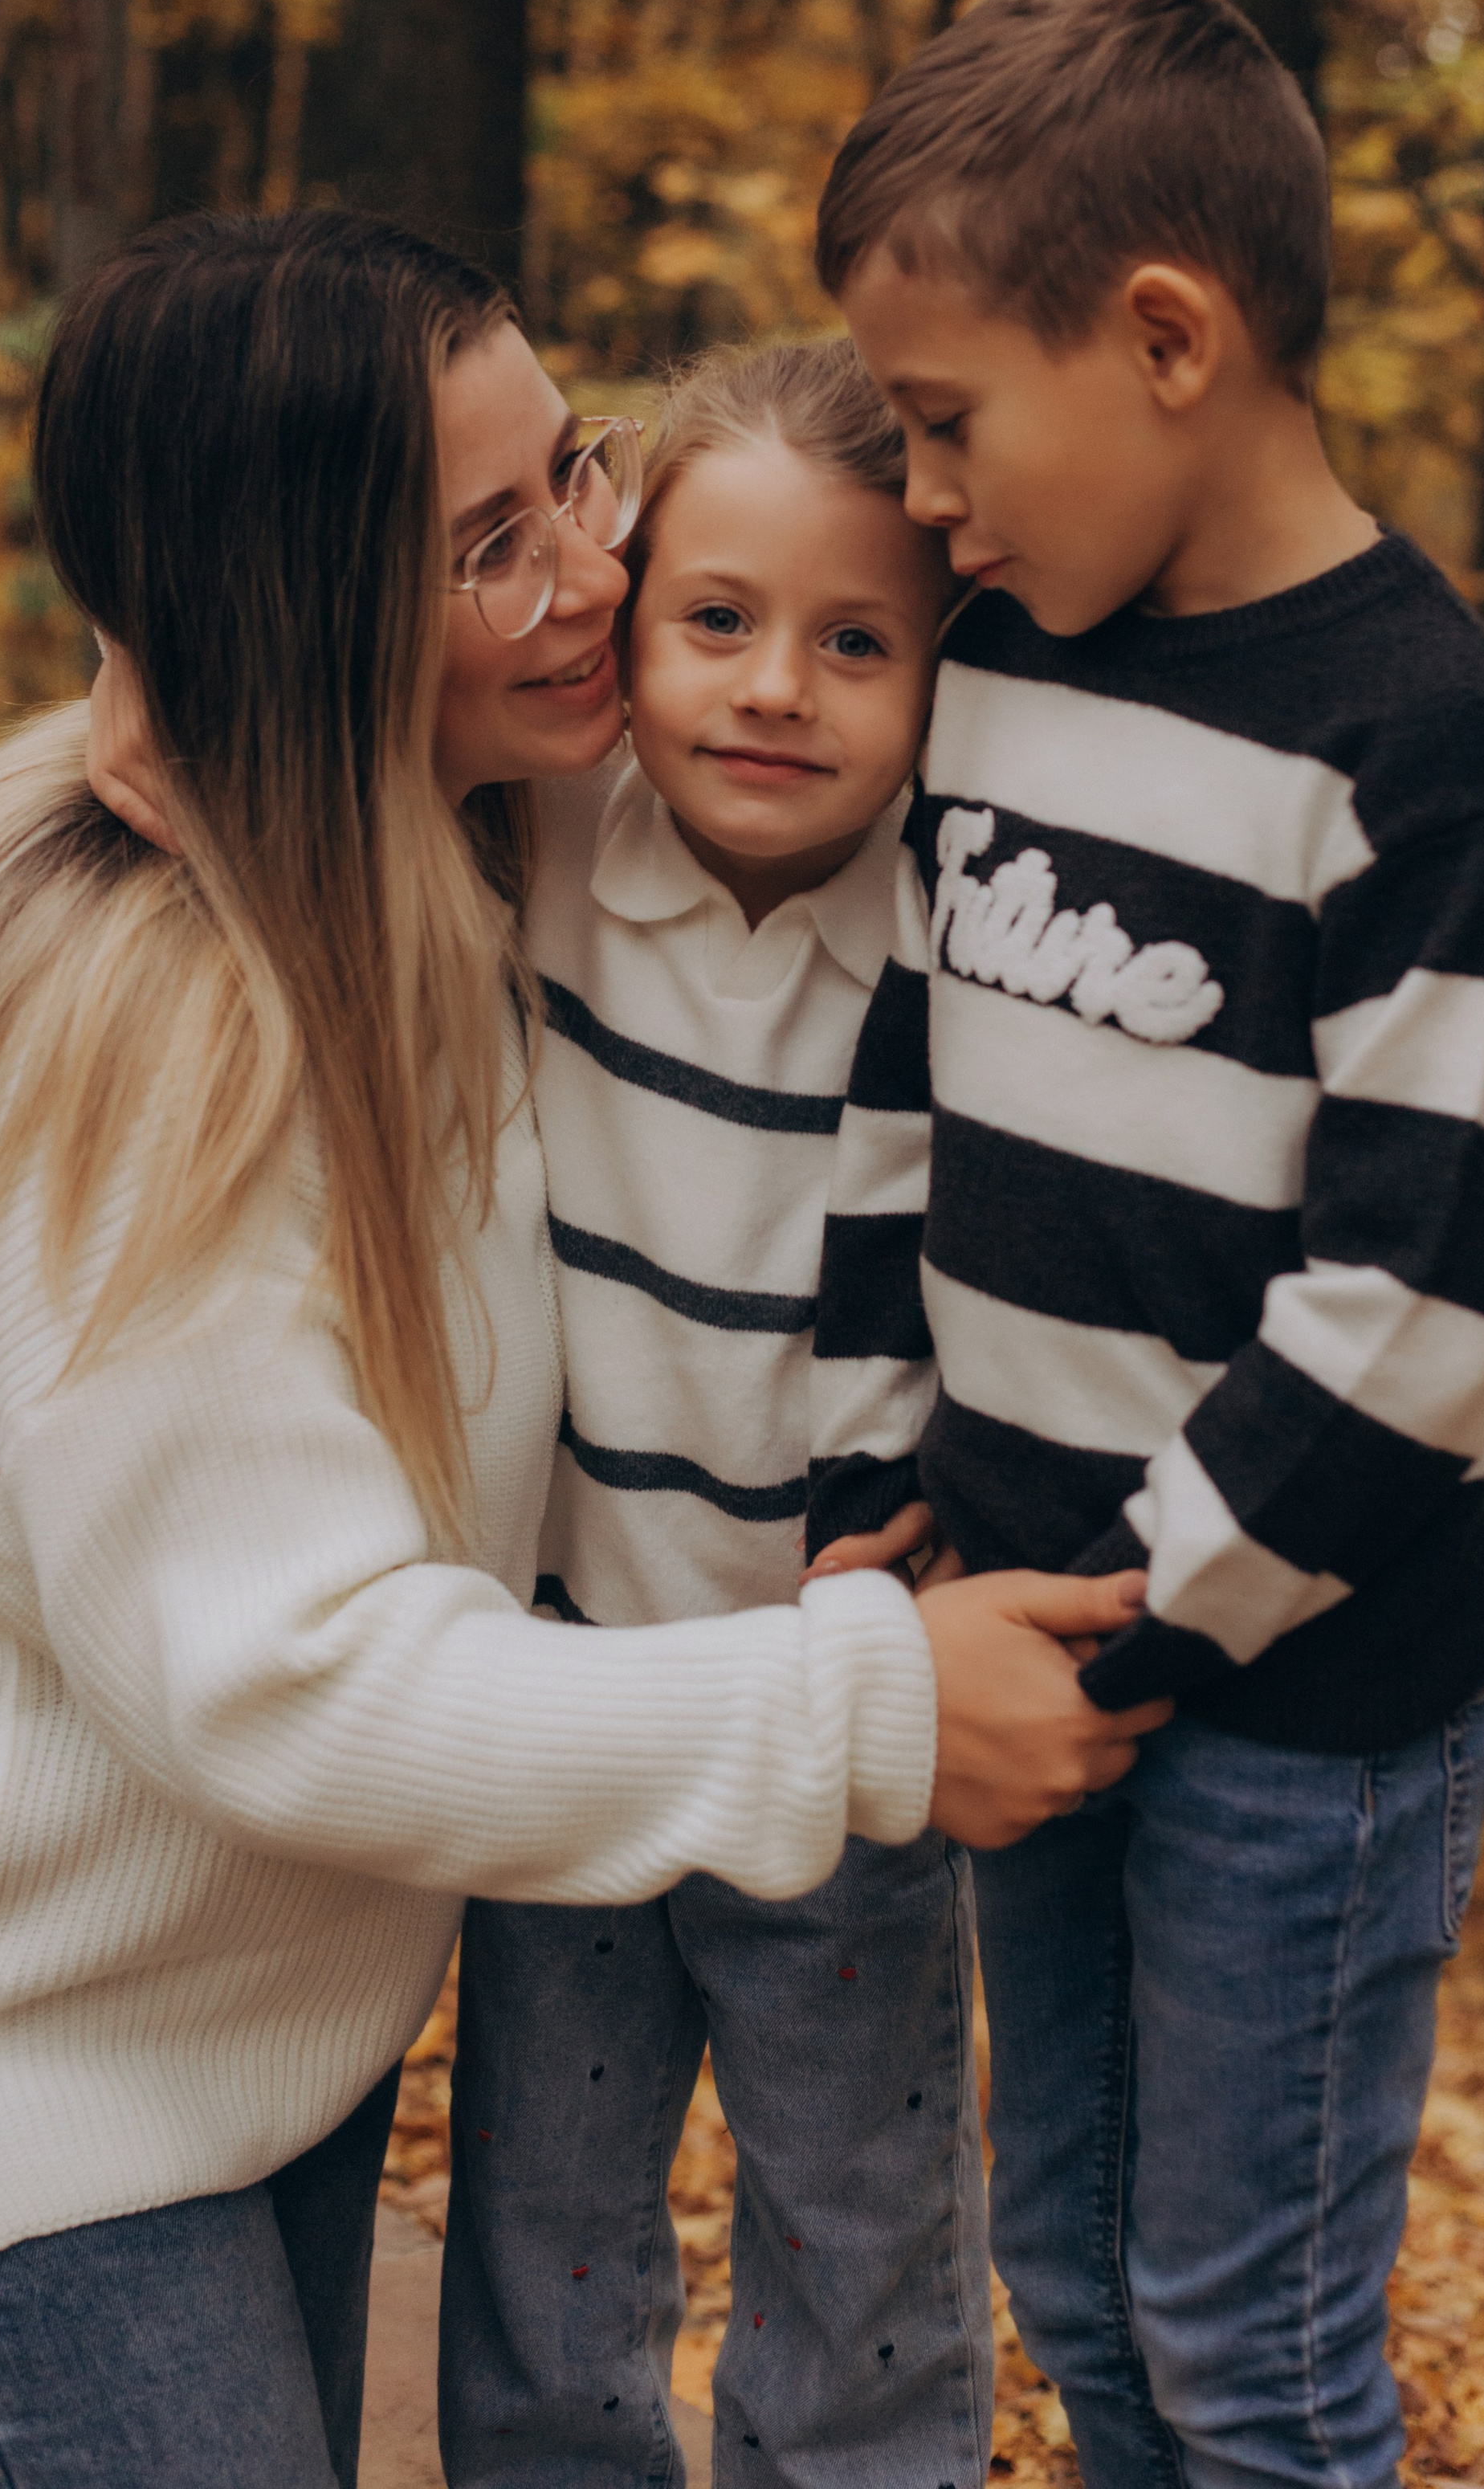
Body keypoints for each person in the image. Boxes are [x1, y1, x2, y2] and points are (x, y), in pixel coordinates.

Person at [0, 210, 1159, 2489]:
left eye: (576, 467)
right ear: (305, 621)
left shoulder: (444, 827)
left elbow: (963, 716)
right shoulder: (129, 1036)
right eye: (485, 544)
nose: (592, 573)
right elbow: (296, 1680)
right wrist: (875, 1702)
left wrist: (1361, 1045)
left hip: (247, 2027)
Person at [805, 0, 1484, 2489]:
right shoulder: (1012, 664)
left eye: (945, 426)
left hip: (1289, 1699)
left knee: (1246, 2349)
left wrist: (1144, 1627)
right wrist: (869, 1477)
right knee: (1081, 2292)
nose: (924, 502)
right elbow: (911, 1083)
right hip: (1031, 1634)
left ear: (1164, 333)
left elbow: (1427, 1312)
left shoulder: (1418, 753)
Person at [442, 341, 997, 2489]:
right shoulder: (549, 833)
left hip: (847, 1720)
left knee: (861, 2267)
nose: (775, 687)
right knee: (548, 2256)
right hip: (572, 1703)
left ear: (948, 675)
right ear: (635, 621)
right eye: (718, 622)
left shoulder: (968, 930)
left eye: (857, 642)